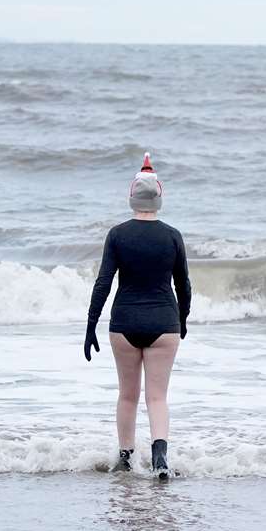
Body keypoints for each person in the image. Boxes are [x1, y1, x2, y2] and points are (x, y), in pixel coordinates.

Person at [85, 153, 192, 479]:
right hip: (164, 323)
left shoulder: (117, 235)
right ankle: (160, 460)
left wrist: (91, 325)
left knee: (127, 396)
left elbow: (103, 282)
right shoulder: (172, 235)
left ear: (131, 197)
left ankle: (126, 459)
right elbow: (183, 284)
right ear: (160, 198)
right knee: (157, 397)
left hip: (124, 324)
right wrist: (183, 318)